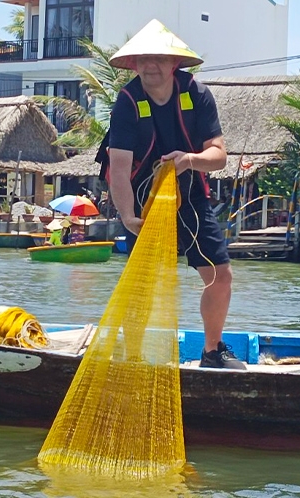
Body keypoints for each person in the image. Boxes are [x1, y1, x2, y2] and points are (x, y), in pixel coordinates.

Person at [104, 19, 243, 369]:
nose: (151, 66)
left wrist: (190, 160)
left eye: (160, 59)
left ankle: (212, 351)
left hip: (192, 198)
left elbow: (219, 157)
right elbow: (118, 168)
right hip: (144, 204)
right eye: (144, 60)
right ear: (134, 64)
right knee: (142, 283)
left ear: (174, 63)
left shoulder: (196, 94)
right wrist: (128, 216)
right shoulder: (127, 102)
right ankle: (133, 356)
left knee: (219, 273)